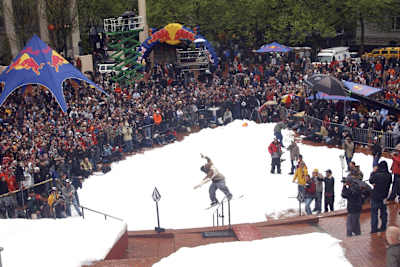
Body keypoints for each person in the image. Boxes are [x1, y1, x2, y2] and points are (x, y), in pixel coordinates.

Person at [369, 160, 392, 233]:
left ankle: (374, 229)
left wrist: (373, 172)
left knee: (374, 214)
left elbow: (371, 181)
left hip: (375, 197)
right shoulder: (389, 175)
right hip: (384, 197)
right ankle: (383, 227)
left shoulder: (376, 175)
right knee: (384, 213)